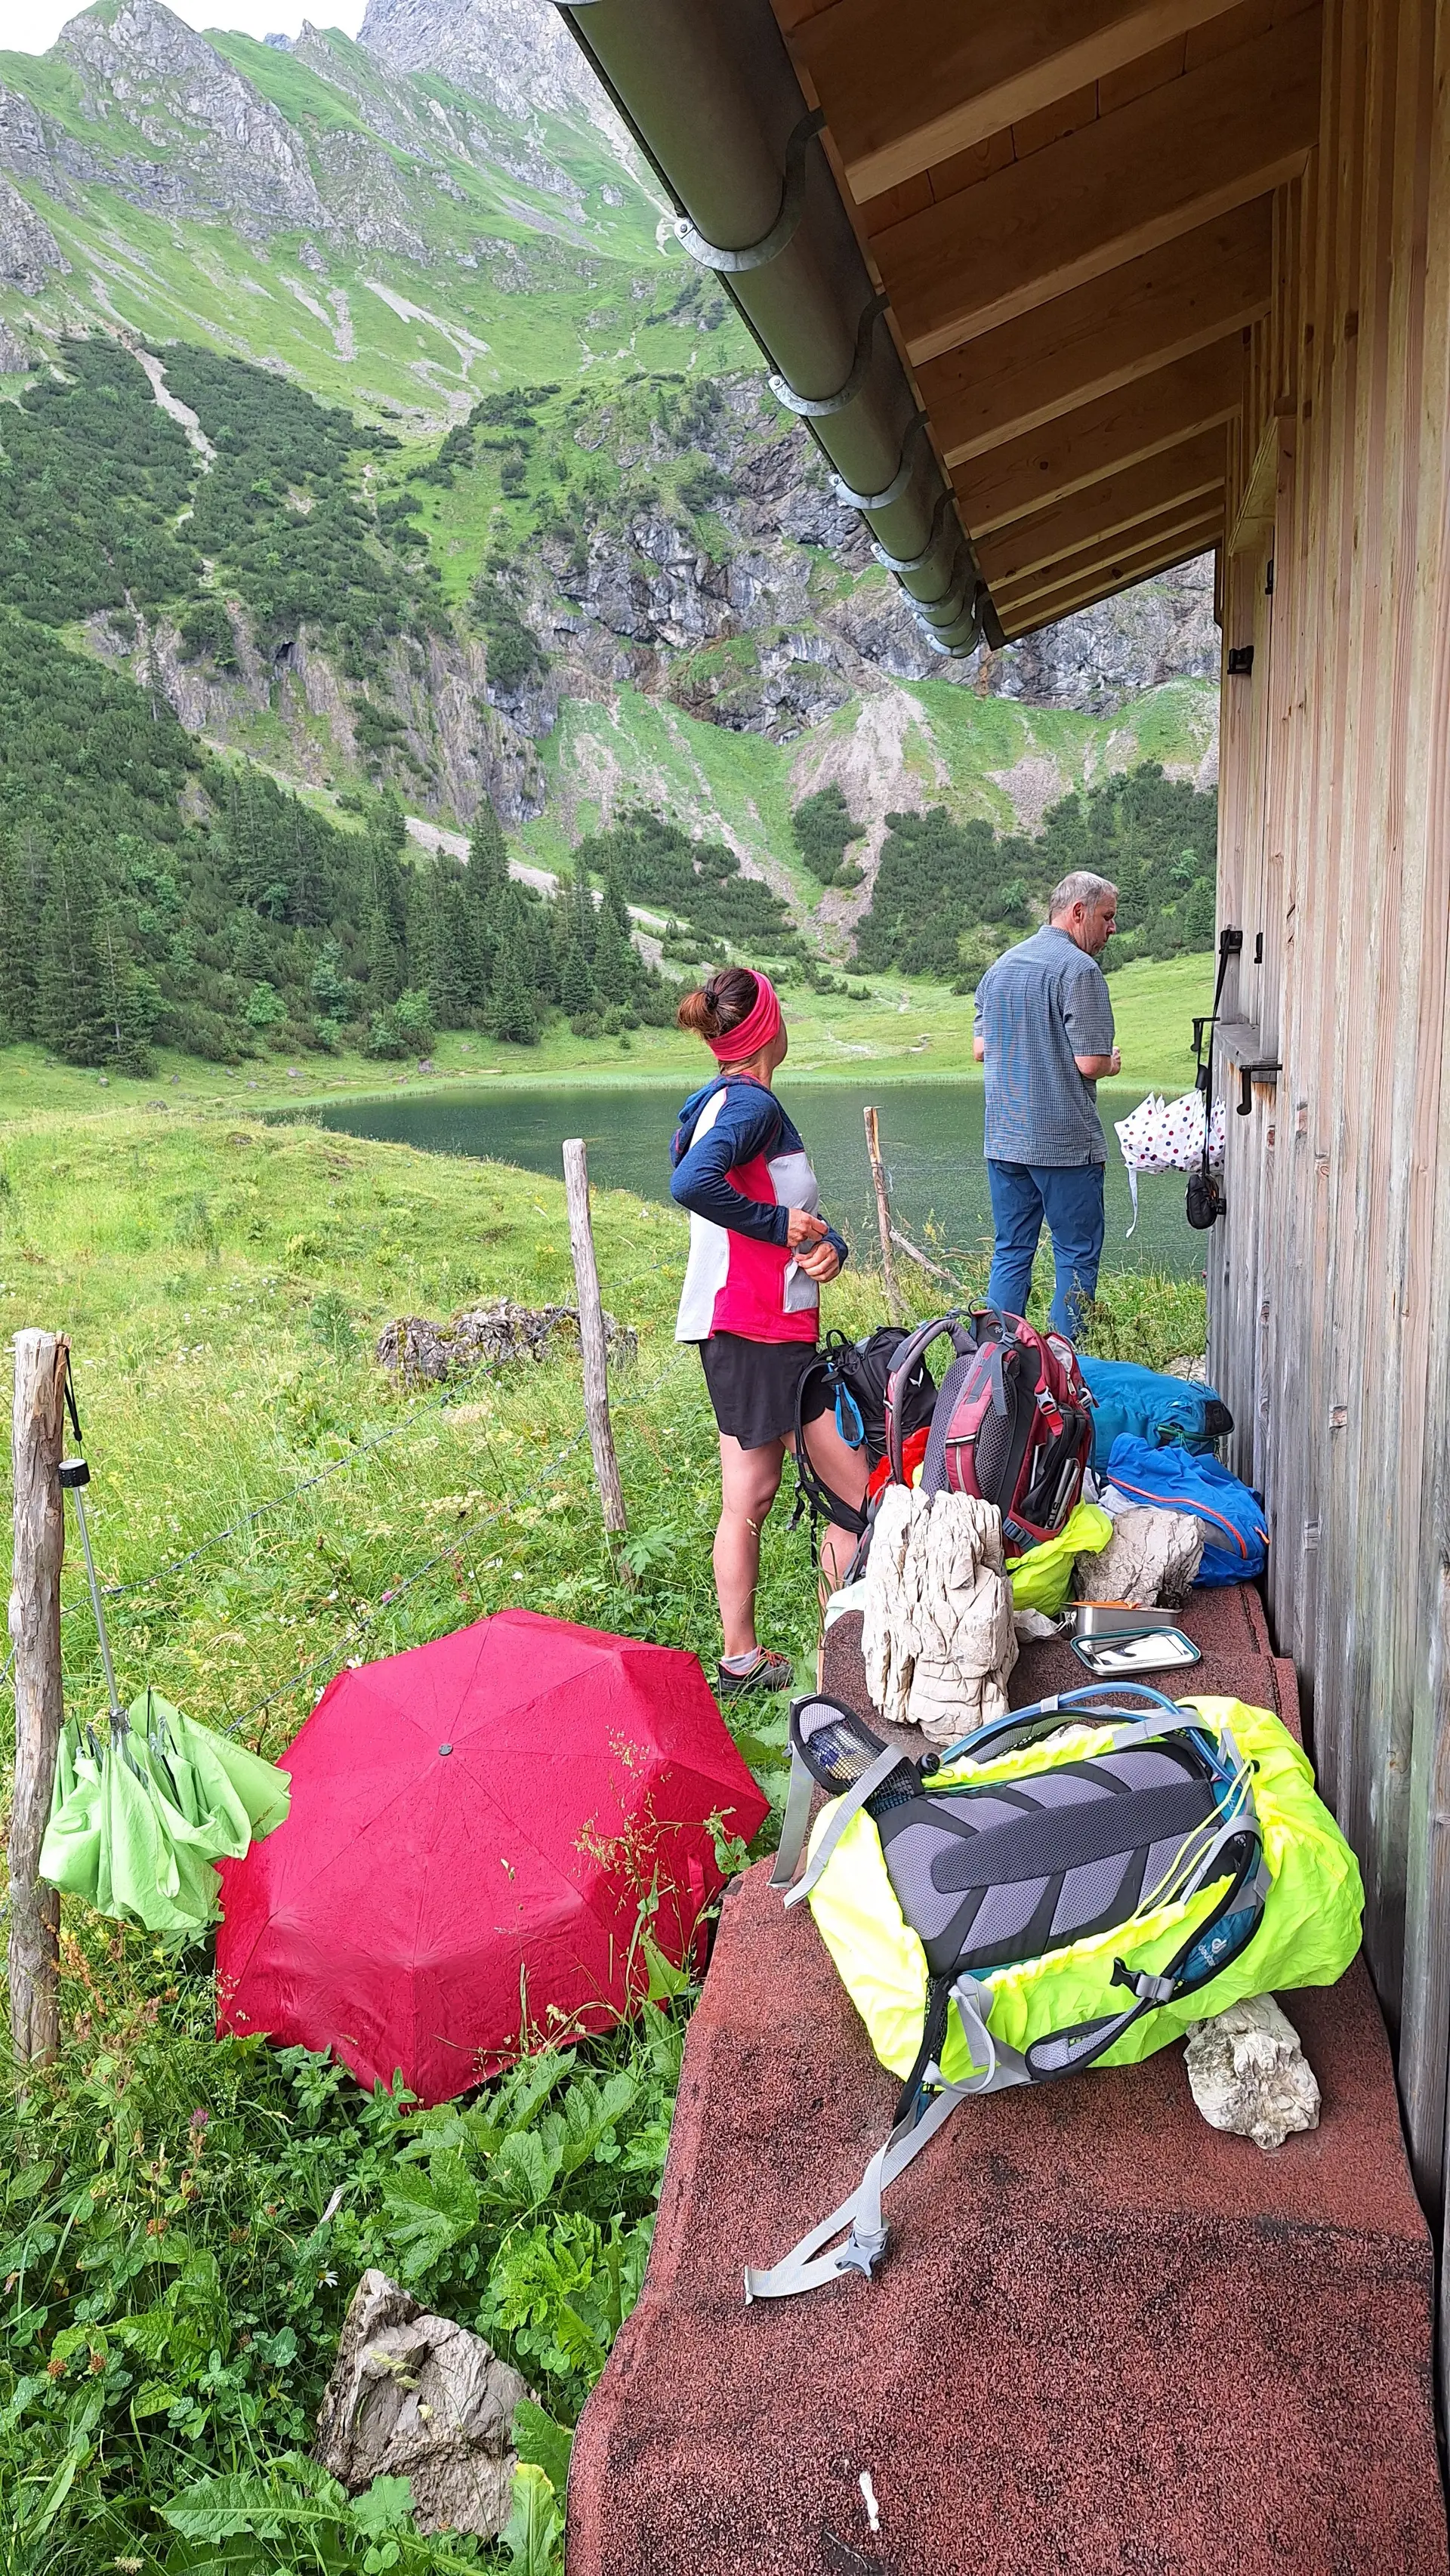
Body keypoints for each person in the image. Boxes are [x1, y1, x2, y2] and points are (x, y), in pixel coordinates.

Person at [670, 964, 869, 1699]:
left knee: (749, 1493)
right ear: (769, 1031)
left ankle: (742, 1660)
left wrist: (826, 1246)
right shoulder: (749, 1104)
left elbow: (782, 1214)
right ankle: (852, 1668)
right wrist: (779, 1225)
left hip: (745, 1328)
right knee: (859, 1499)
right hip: (755, 1332)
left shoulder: (726, 1102)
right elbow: (694, 1183)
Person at [972, 870, 1121, 1341]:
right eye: (1107, 917)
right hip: (1063, 1144)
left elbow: (980, 1049)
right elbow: (1090, 1062)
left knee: (1012, 1249)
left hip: (1004, 1139)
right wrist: (1111, 1065)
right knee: (1075, 1253)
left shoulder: (1000, 967)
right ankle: (1063, 1370)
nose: (1112, 929)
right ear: (1078, 913)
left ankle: (990, 1367)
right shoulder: (1080, 970)